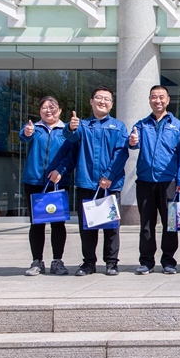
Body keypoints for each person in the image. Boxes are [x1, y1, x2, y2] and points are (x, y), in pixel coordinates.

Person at [64, 85, 129, 276]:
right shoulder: (82, 126)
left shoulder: (118, 127)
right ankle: (88, 263)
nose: (102, 102)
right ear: (91, 101)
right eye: (99, 98)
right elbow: (70, 138)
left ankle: (111, 262)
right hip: (86, 182)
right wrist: (70, 127)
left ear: (112, 104)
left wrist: (109, 176)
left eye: (107, 99)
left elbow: (121, 153)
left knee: (111, 227)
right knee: (87, 227)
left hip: (110, 185)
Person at [128, 85, 180, 275]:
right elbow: (134, 143)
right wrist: (132, 142)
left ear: (168, 100)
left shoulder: (177, 126)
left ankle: (169, 261)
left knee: (171, 223)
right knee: (146, 224)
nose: (158, 100)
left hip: (169, 182)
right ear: (149, 100)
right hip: (145, 181)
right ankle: (146, 261)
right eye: (154, 97)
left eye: (161, 97)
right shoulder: (141, 125)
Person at [20, 96, 76, 276]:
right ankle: (37, 261)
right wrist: (27, 132)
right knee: (37, 223)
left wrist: (60, 170)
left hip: (58, 182)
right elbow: (24, 136)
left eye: (52, 107)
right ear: (40, 111)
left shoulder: (67, 131)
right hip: (34, 182)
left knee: (58, 223)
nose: (48, 110)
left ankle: (57, 261)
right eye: (44, 107)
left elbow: (72, 155)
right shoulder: (34, 128)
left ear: (59, 111)